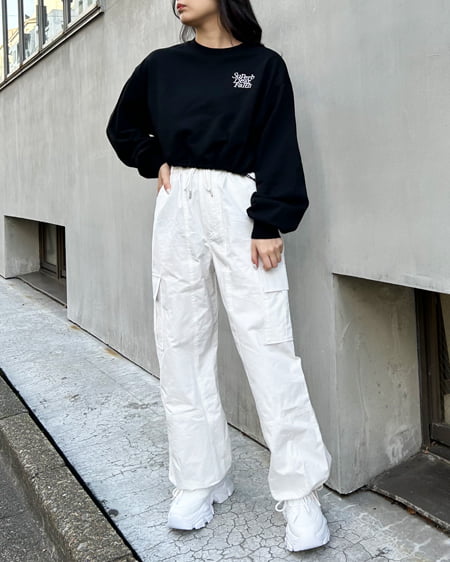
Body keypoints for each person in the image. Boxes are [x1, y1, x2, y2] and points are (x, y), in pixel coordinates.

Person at [105, 0, 333, 552]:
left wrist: (269, 220)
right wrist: (154, 160)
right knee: (180, 343)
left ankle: (300, 492)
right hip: (178, 203)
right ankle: (199, 479)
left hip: (240, 205)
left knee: (269, 344)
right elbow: (122, 126)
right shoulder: (162, 65)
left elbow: (279, 144)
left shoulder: (262, 65)